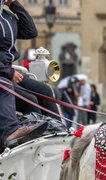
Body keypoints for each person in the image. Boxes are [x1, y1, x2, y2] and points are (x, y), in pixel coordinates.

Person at [0, 0, 48, 148]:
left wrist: (14, 4)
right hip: (4, 74)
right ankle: (11, 133)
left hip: (6, 71)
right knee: (5, 84)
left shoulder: (7, 17)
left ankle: (53, 131)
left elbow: (30, 31)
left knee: (40, 93)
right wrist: (8, 72)